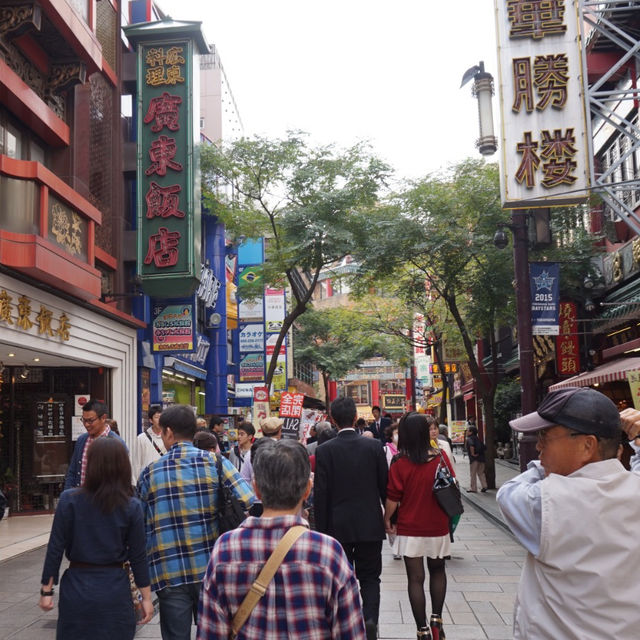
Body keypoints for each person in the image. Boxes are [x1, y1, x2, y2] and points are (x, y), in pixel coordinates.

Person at [496, 387, 640, 640]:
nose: (538, 447)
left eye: (545, 436)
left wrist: (545, 467)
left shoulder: (546, 501)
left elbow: (508, 492)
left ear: (587, 445)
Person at [197, 439, 366, 639]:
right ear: (307, 489)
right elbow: (351, 632)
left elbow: (209, 632)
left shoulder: (226, 549)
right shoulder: (328, 552)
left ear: (256, 489)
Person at [137, 405, 254, 640]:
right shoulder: (217, 463)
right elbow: (249, 502)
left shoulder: (150, 473)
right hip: (210, 568)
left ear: (168, 432)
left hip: (168, 572)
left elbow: (141, 524)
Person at [40, 438, 153, 638]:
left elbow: (55, 548)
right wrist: (146, 597)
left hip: (76, 587)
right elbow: (138, 556)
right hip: (115, 589)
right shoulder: (131, 506)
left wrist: (47, 591)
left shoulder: (69, 500)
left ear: (90, 465)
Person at [315, 397, 388, 640]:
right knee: (370, 577)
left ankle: (345, 625)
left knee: (339, 580)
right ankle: (370, 621)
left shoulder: (325, 451)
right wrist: (388, 518)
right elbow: (384, 487)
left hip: (337, 527)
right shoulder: (375, 447)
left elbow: (321, 495)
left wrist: (322, 532)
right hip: (370, 523)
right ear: (356, 416)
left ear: (332, 419)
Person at [384, 412, 454, 640]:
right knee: (438, 571)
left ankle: (422, 630)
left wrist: (387, 519)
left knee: (415, 579)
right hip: (437, 524)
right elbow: (452, 484)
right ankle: (437, 620)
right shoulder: (440, 457)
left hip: (410, 526)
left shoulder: (400, 462)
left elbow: (393, 497)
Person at [64, 399, 126, 489]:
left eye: (90, 421)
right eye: (84, 420)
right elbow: (72, 471)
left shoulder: (117, 444)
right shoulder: (82, 440)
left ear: (103, 418)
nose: (86, 425)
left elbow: (121, 480)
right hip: (81, 499)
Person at [132, 404, 166, 481]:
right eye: (157, 417)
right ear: (151, 420)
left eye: (161, 417)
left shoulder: (168, 437)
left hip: (164, 479)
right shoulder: (142, 438)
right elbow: (137, 463)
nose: (160, 420)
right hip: (147, 480)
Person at [465, 425, 487, 492]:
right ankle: (484, 486)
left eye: (467, 430)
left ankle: (473, 488)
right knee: (481, 473)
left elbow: (471, 446)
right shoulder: (478, 439)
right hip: (482, 458)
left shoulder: (469, 439)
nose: (466, 431)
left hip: (474, 459)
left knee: (473, 474)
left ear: (471, 432)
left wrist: (472, 454)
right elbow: (484, 447)